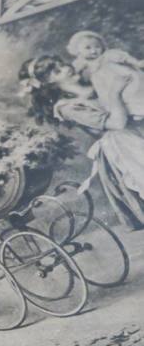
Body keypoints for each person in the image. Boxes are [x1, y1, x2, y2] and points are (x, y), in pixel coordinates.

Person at [19, 55, 144, 229]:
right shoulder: (67, 107)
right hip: (124, 145)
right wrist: (114, 93)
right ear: (49, 83)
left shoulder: (91, 81)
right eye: (58, 71)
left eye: (62, 63)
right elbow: (117, 124)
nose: (67, 68)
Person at [66, 30, 144, 119]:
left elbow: (124, 58)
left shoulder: (108, 55)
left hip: (121, 77)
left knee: (132, 92)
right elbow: (75, 76)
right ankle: (131, 112)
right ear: (78, 50)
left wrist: (137, 63)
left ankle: (140, 109)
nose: (93, 51)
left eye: (97, 47)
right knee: (112, 98)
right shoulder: (80, 63)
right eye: (88, 48)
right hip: (104, 85)